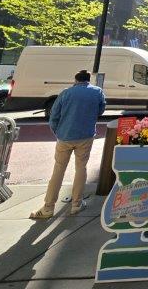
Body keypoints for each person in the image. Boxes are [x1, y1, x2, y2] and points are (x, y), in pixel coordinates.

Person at [30, 70, 106, 219]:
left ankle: (48, 207)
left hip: (65, 136)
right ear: (88, 79)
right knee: (81, 168)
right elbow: (101, 110)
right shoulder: (97, 92)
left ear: (75, 80)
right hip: (86, 136)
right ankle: (76, 204)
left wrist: (59, 132)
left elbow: (54, 116)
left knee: (58, 170)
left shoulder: (66, 93)